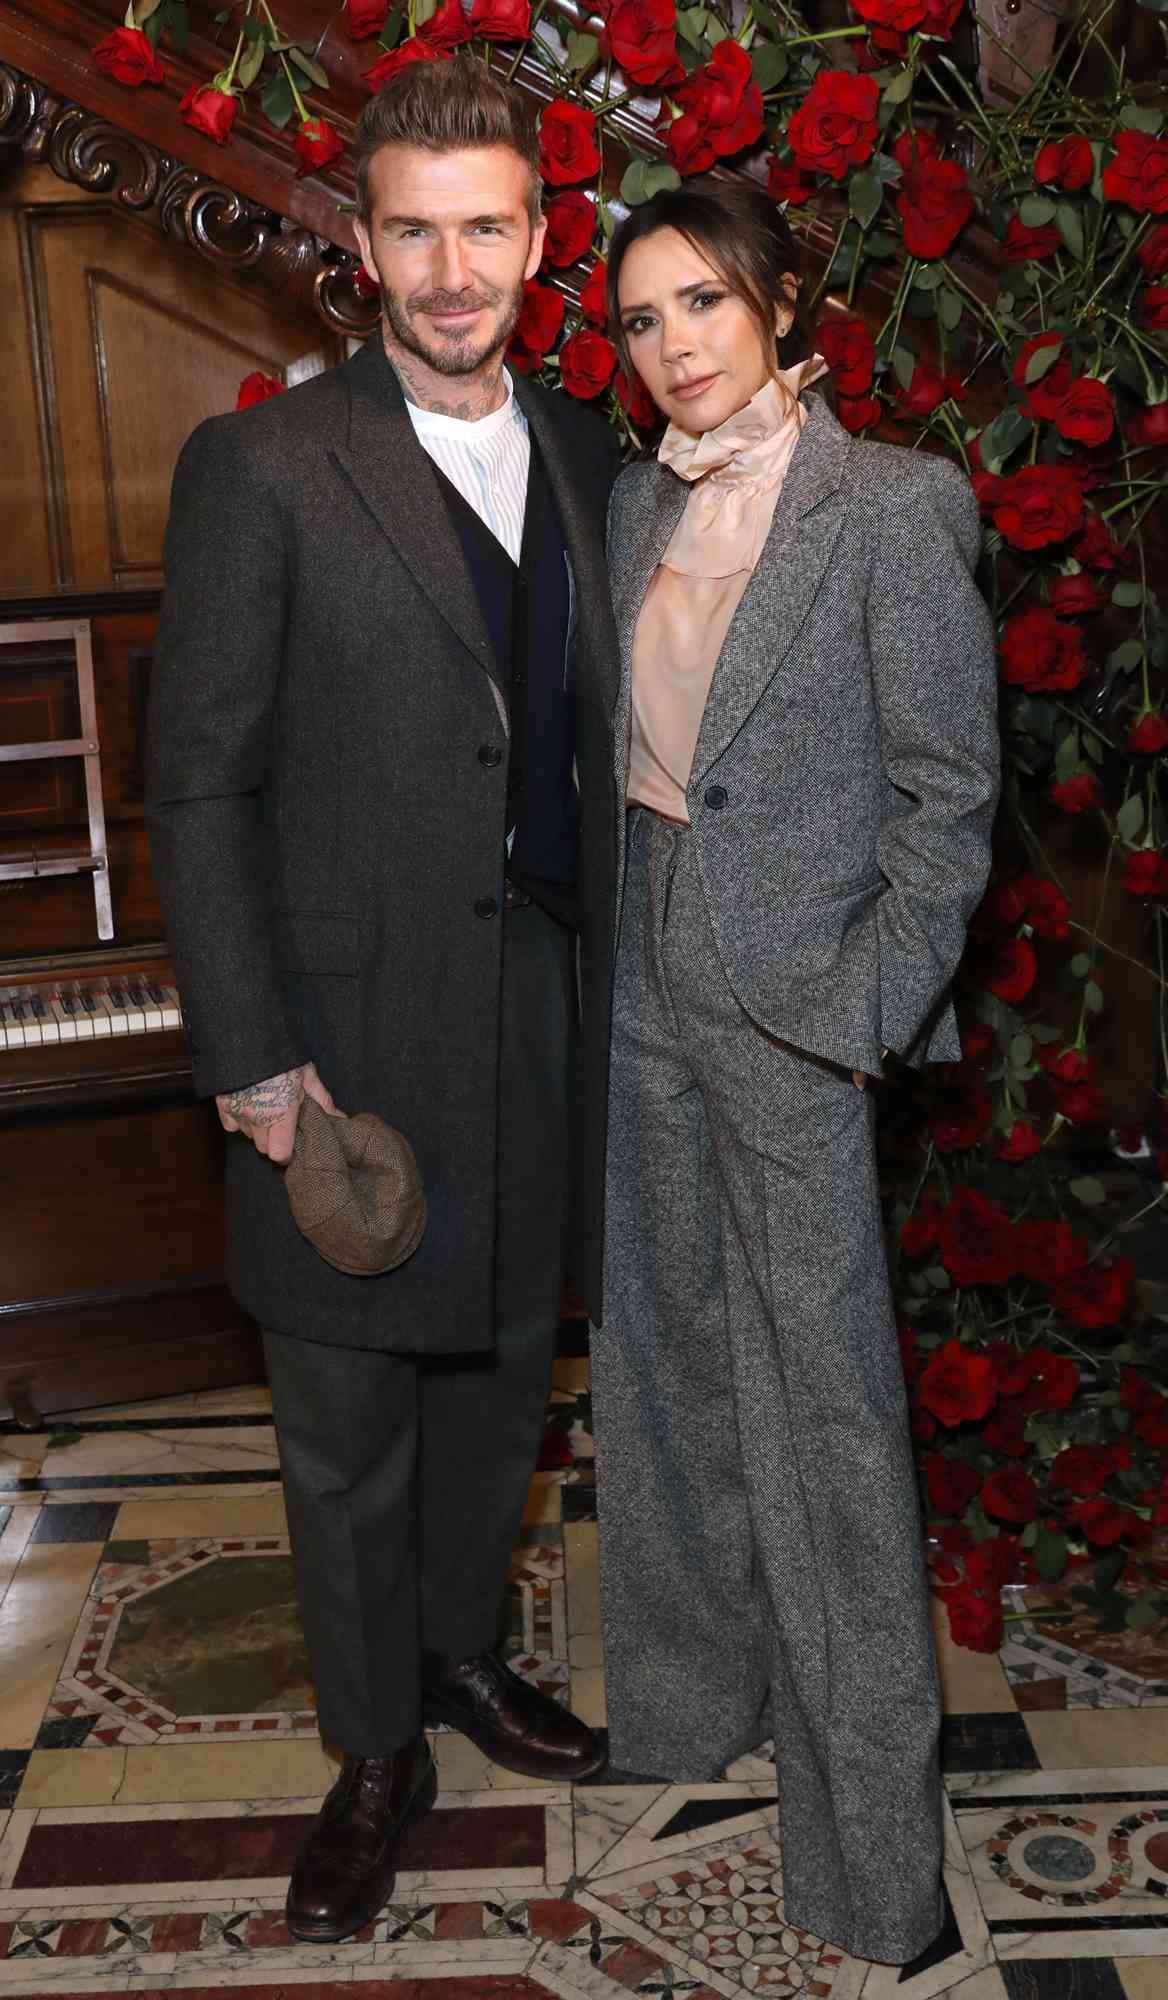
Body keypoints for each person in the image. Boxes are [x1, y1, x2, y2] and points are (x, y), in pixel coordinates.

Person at [147, 59, 623, 1946]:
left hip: (545, 1005)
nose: (449, 267)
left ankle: (455, 1656)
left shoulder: (590, 452)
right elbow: (197, 781)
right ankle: (371, 1753)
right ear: (359, 240)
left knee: (506, 1372)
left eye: (484, 226)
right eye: (412, 227)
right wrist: (254, 1051)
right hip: (340, 1035)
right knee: (345, 1416)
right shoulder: (263, 463)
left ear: (534, 238)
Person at [591, 178, 999, 1966]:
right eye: (639, 320)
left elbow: (950, 807)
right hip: (639, 992)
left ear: (772, 307)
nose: (673, 346)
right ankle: (692, 1719)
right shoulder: (628, 503)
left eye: (701, 305)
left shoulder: (896, 508)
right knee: (668, 1376)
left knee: (826, 1430)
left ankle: (872, 1872)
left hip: (790, 1014)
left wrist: (853, 1016)